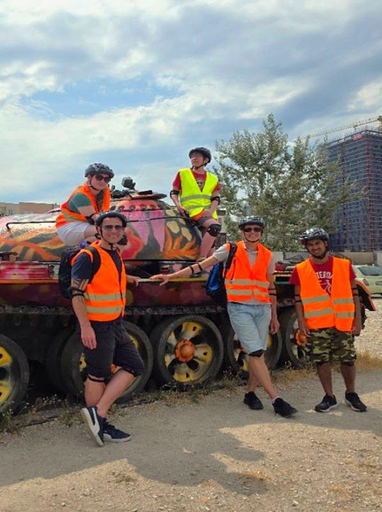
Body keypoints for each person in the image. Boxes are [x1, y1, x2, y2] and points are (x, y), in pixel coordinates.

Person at [150, 216, 298, 418]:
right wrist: (171, 276)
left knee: (259, 354)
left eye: (256, 229)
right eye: (248, 229)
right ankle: (276, 399)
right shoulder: (230, 249)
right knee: (254, 352)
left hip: (262, 308)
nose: (252, 232)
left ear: (261, 232)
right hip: (240, 307)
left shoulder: (267, 255)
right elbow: (201, 266)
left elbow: (270, 287)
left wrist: (274, 315)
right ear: (242, 232)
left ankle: (250, 393)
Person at [72, 211, 144, 446]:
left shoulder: (115, 253)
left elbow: (106, 280)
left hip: (115, 323)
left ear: (123, 230)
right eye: (108, 227)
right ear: (99, 230)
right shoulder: (88, 255)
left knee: (134, 365)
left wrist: (128, 278)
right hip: (97, 325)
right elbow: (76, 294)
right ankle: (99, 424)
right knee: (97, 374)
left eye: (117, 227)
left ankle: (98, 415)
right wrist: (86, 327)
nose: (113, 231)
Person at [291, 227, 367, 413]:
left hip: (342, 322)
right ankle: (329, 396)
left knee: (348, 359)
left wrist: (357, 320)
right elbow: (298, 299)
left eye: (317, 243)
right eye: (310, 245)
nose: (315, 247)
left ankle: (351, 394)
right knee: (321, 360)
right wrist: (301, 322)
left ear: (325, 243)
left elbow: (354, 293)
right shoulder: (300, 269)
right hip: (316, 324)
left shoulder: (343, 265)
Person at [170, 147, 222, 259]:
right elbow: (174, 192)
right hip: (191, 211)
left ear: (206, 160)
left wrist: (210, 211)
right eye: (192, 156)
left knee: (211, 251)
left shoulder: (213, 178)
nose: (194, 158)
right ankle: (201, 257)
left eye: (197, 156)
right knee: (214, 227)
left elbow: (216, 198)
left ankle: (204, 266)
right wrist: (178, 205)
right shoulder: (183, 173)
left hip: (208, 214)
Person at [56, 163, 114, 247]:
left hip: (84, 225)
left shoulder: (103, 193)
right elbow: (95, 219)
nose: (102, 181)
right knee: (108, 231)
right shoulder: (80, 196)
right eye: (99, 177)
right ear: (89, 177)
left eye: (106, 179)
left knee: (113, 231)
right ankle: (81, 251)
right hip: (70, 227)